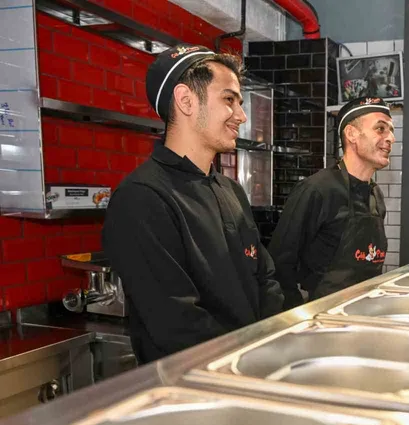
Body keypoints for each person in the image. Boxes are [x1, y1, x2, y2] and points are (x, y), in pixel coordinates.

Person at [102, 45, 283, 364]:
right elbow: (177, 323)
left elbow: (264, 279)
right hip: (193, 382)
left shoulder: (230, 190)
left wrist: (271, 345)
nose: (241, 116)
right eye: (229, 100)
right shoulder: (141, 198)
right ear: (186, 100)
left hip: (248, 368)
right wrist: (247, 359)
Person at [268, 96, 394, 309]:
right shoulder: (317, 190)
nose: (390, 138)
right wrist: (298, 316)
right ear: (351, 134)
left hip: (364, 310)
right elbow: (279, 265)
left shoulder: (376, 194)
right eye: (380, 129)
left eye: (391, 130)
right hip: (321, 315)